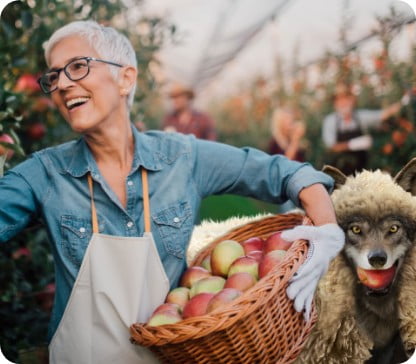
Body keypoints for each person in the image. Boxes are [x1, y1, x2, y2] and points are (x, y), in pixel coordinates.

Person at [0, 20, 344, 363]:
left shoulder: (182, 158)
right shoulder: (44, 174)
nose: (61, 84)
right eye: (54, 76)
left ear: (125, 78)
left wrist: (327, 232)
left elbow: (290, 173)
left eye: (77, 67)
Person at [322, 84, 406, 175]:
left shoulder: (360, 117)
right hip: (338, 170)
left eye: (346, 99)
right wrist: (352, 144)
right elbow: (331, 147)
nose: (343, 103)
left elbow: (383, 114)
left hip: (360, 170)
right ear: (335, 103)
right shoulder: (330, 121)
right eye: (339, 100)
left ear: (352, 101)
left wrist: (405, 101)